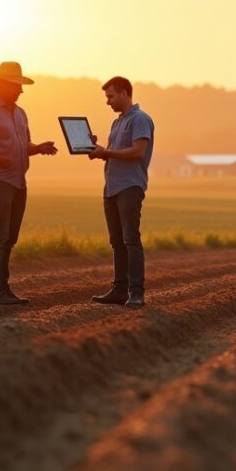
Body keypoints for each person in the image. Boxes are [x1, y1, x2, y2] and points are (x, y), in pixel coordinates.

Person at [0, 61, 57, 304]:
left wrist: (39, 148)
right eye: (17, 86)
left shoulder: (20, 113)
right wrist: (1, 161)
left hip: (18, 182)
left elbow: (23, 146)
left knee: (9, 238)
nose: (21, 90)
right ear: (3, 84)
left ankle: (2, 289)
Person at [87, 76, 154, 309]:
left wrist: (107, 153)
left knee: (130, 240)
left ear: (124, 93)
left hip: (130, 186)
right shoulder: (117, 123)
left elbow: (137, 152)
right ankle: (119, 290)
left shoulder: (140, 119)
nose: (108, 102)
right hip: (112, 187)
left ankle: (136, 293)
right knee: (117, 242)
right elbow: (114, 153)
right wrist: (96, 149)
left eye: (110, 96)